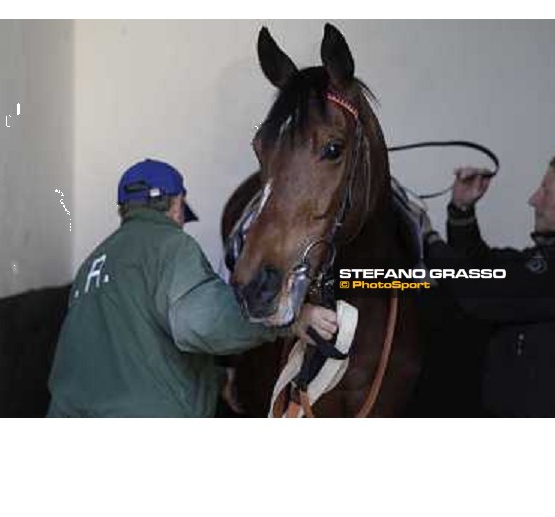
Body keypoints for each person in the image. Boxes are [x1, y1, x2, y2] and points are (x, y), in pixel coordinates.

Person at [47, 159, 337, 418]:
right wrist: (290, 321)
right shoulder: (170, 246)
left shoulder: (92, 264)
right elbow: (203, 324)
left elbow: (134, 354)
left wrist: (218, 383)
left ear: (124, 209)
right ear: (175, 205)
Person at [420, 151, 555, 417]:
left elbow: (483, 292)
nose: (533, 200)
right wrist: (462, 210)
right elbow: (486, 267)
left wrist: (429, 238)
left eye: (546, 191)